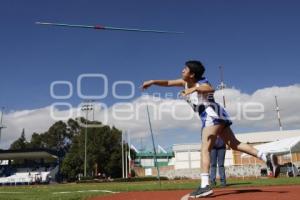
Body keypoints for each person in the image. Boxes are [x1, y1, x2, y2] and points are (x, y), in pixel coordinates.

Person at [141, 60, 280, 198]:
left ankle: (205, 185)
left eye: (185, 69)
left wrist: (194, 89)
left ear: (192, 74)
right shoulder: (184, 82)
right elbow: (167, 83)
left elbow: (210, 88)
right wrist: (152, 81)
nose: (182, 70)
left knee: (205, 149)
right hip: (216, 114)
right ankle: (266, 156)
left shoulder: (200, 82)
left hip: (210, 114)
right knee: (234, 144)